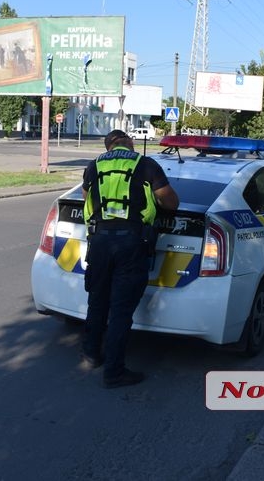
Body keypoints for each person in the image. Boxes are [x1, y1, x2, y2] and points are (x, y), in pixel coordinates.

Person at [80, 129, 179, 388]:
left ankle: (91, 353)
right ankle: (114, 372)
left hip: (99, 240)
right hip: (131, 242)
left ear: (108, 146)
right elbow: (169, 201)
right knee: (121, 310)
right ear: (130, 143)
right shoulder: (145, 164)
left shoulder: (93, 166)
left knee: (97, 300)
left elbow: (85, 198)